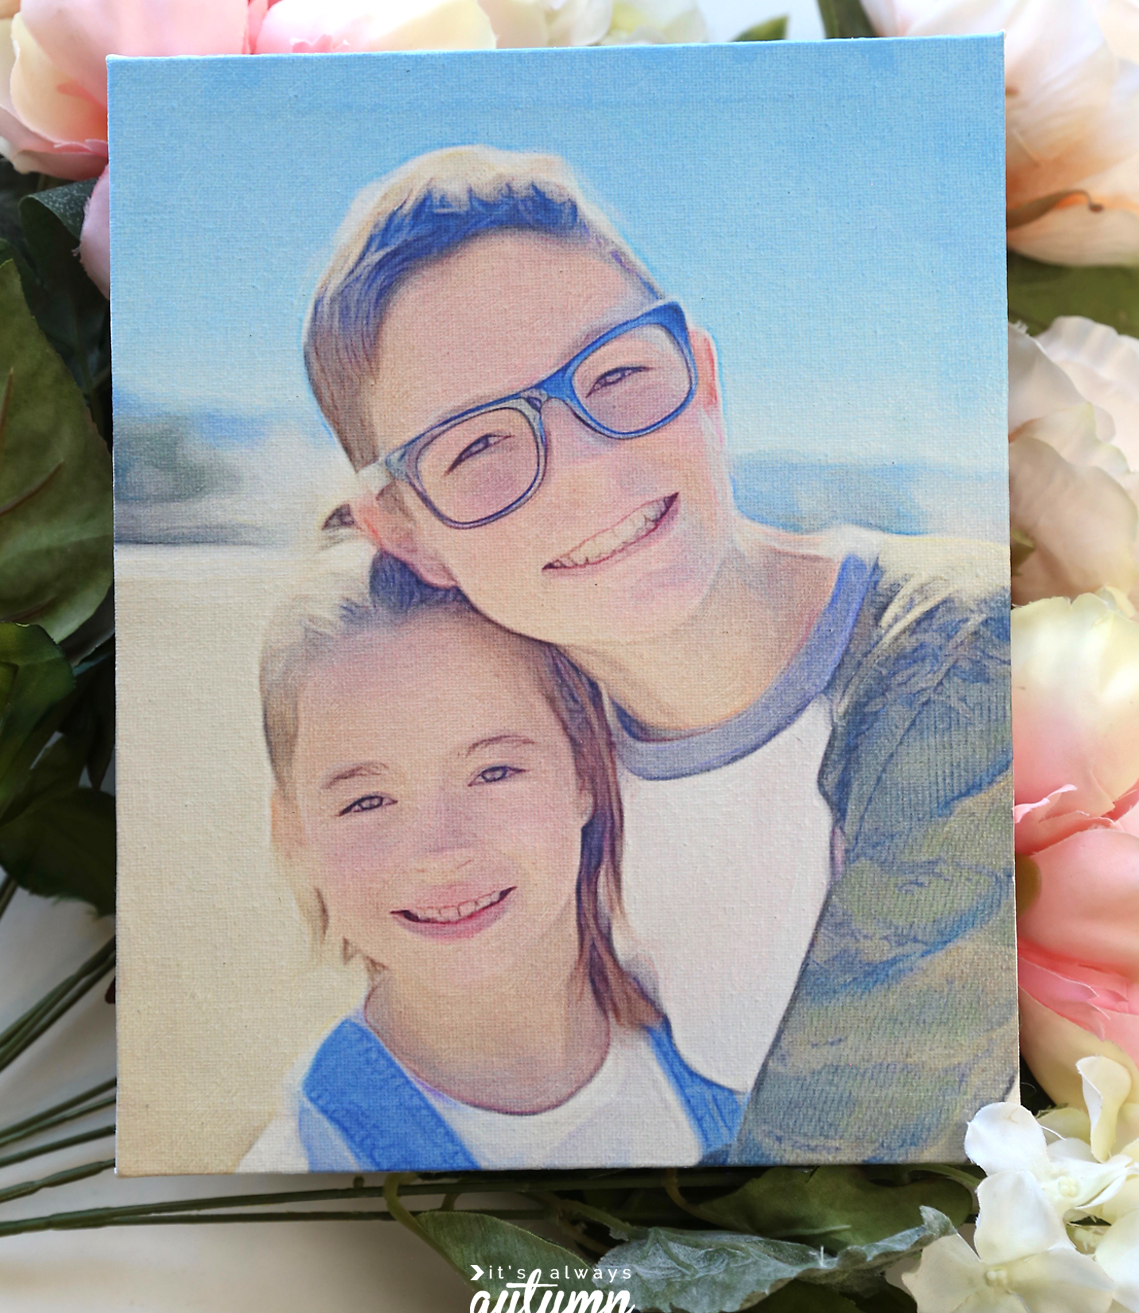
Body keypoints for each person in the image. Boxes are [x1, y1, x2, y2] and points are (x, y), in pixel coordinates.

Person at [302, 145, 1015, 1163]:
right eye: (480, 445)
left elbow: (841, 1186)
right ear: (408, 533)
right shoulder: (543, 770)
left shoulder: (952, 656)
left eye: (619, 374)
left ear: (705, 372)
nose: (591, 473)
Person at [240, 551, 743, 1172]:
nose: (441, 852)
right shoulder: (303, 1171)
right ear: (293, 834)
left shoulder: (731, 1039)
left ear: (586, 771)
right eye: (367, 800)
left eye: (493, 772)